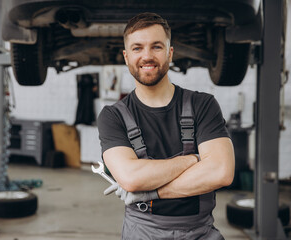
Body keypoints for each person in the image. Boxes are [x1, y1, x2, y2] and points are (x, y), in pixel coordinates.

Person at [97, 12, 235, 239]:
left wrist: (149, 192)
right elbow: (131, 177)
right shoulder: (113, 116)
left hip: (200, 231)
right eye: (137, 48)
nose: (147, 56)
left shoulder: (203, 104)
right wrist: (194, 160)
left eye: (157, 47)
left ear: (170, 53)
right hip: (141, 232)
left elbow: (221, 172)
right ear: (126, 56)